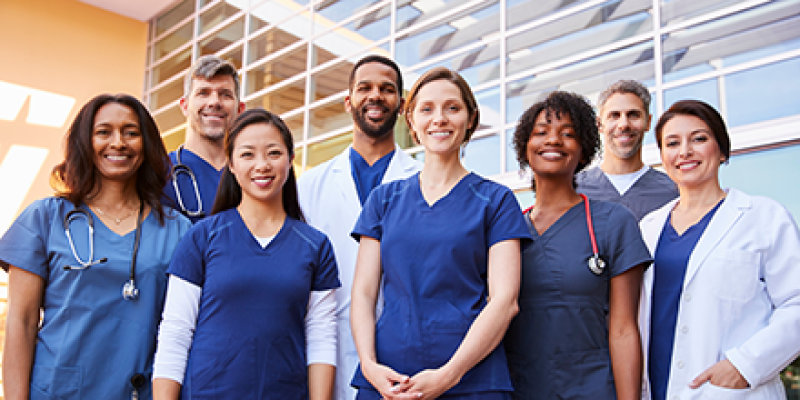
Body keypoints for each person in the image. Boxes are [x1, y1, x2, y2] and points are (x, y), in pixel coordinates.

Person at [350, 67, 531, 399]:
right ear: (412, 122)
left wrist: (450, 375)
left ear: (470, 119)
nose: (440, 119)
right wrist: (369, 365)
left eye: (452, 108)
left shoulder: (496, 200)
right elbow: (363, 293)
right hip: (387, 380)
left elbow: (505, 301)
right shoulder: (384, 200)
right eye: (427, 109)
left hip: (471, 382)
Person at [0, 94, 191, 399]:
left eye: (131, 132)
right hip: (57, 390)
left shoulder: (177, 228)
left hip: (137, 390)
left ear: (147, 144)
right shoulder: (44, 218)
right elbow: (21, 323)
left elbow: (181, 329)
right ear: (84, 143)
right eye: (103, 132)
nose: (118, 142)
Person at [152, 108, 340, 400]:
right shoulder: (202, 237)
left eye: (274, 153)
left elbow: (321, 338)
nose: (262, 165)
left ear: (291, 161)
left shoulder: (314, 245)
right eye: (248, 154)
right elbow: (176, 331)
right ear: (231, 164)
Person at [639, 100, 800, 400]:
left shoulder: (763, 217)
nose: (685, 151)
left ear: (722, 150)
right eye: (672, 143)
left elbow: (796, 303)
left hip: (732, 391)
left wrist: (745, 365)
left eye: (699, 139)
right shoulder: (648, 228)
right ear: (663, 157)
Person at [505, 91, 651, 400]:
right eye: (541, 133)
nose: (553, 140)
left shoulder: (613, 222)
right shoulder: (508, 231)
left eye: (567, 134)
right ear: (524, 148)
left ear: (583, 148)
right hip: (520, 390)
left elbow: (624, 329)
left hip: (593, 389)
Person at [298, 54, 421, 400]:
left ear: (401, 104)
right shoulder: (310, 186)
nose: (375, 96)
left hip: (404, 350)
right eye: (364, 88)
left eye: (387, 89)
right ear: (348, 100)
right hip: (327, 348)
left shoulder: (422, 182)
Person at [576, 80, 678, 220]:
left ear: (648, 122)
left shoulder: (673, 192)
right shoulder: (574, 190)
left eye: (633, 115)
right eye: (614, 115)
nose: (624, 124)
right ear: (599, 125)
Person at [164, 55, 245, 223]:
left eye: (225, 95)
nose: (214, 102)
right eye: (203, 93)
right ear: (185, 106)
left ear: (240, 109)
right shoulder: (159, 173)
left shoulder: (251, 173)